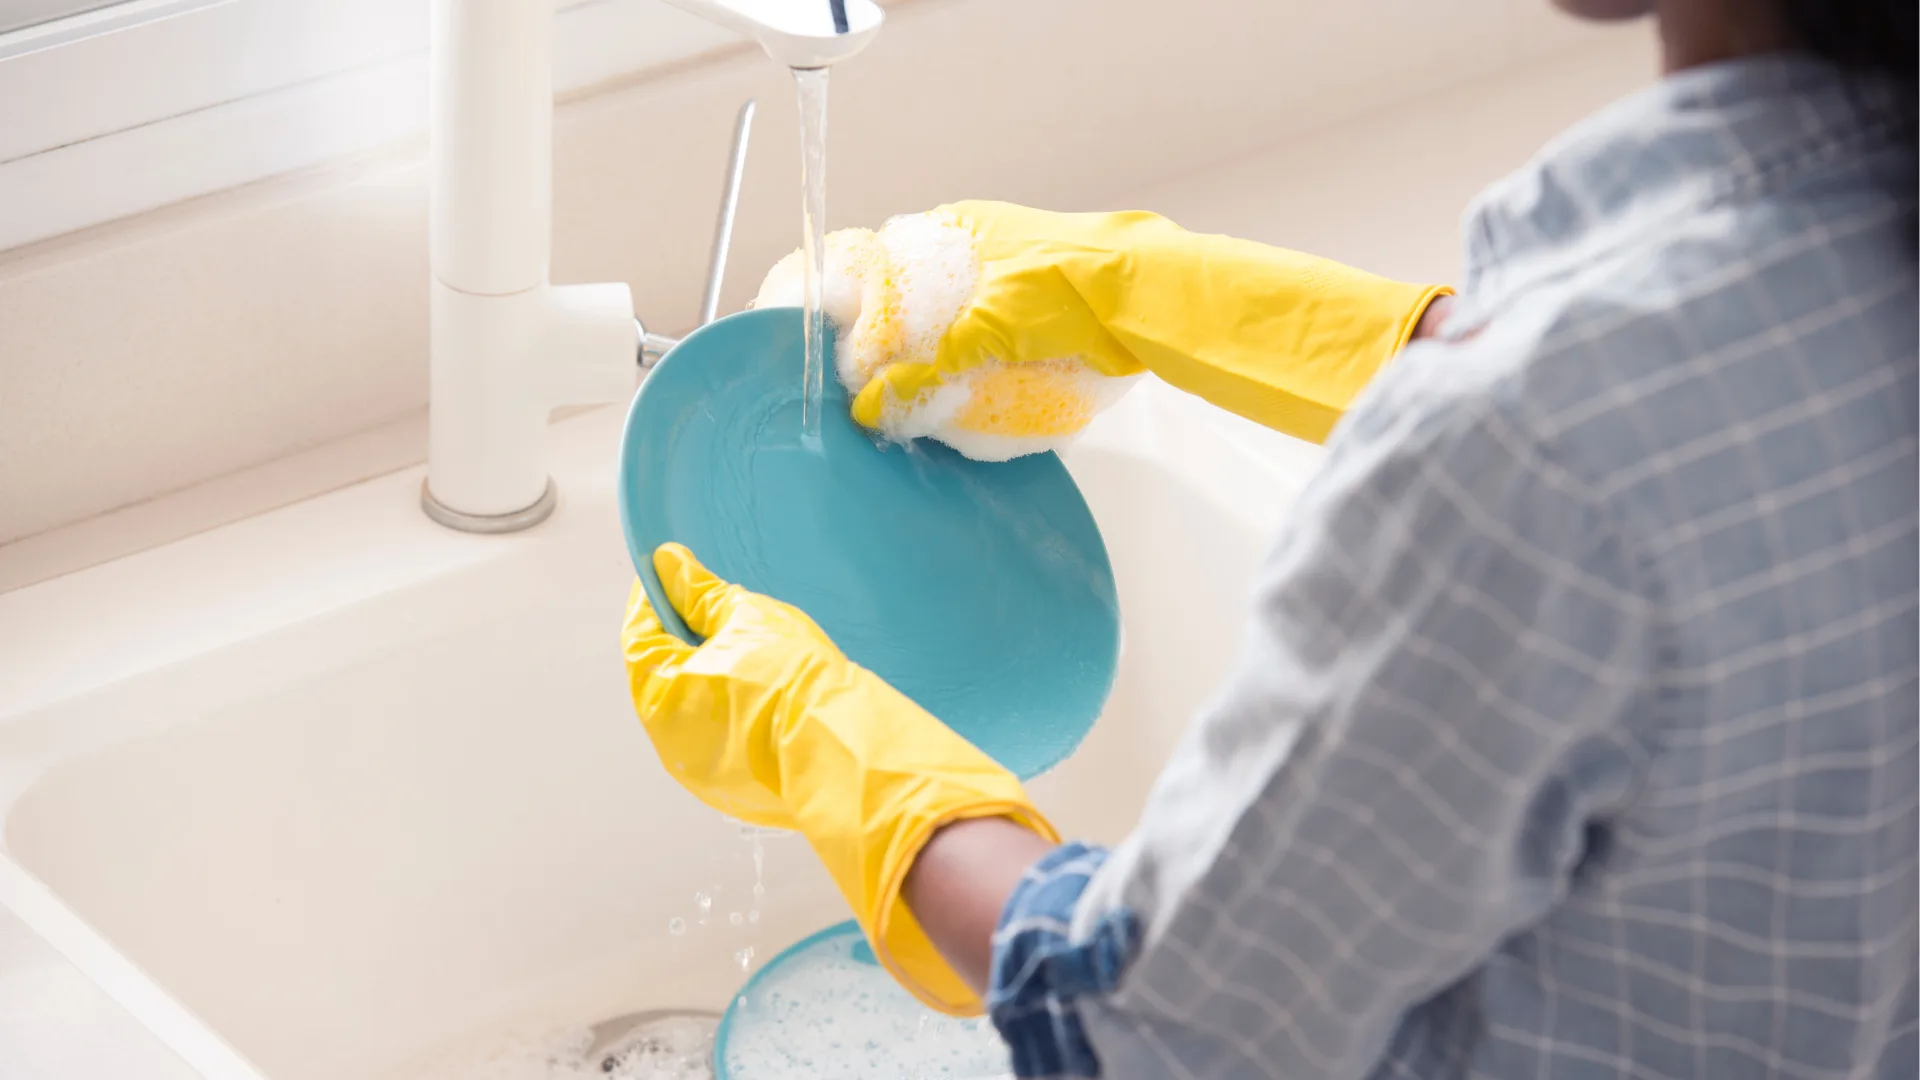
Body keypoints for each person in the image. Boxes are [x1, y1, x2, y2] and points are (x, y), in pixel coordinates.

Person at [621, 0, 1919, 1075]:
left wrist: (837, 749)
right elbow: (1708, 418)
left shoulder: (1528, 453)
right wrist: (1166, 295)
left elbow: (1154, 1034)